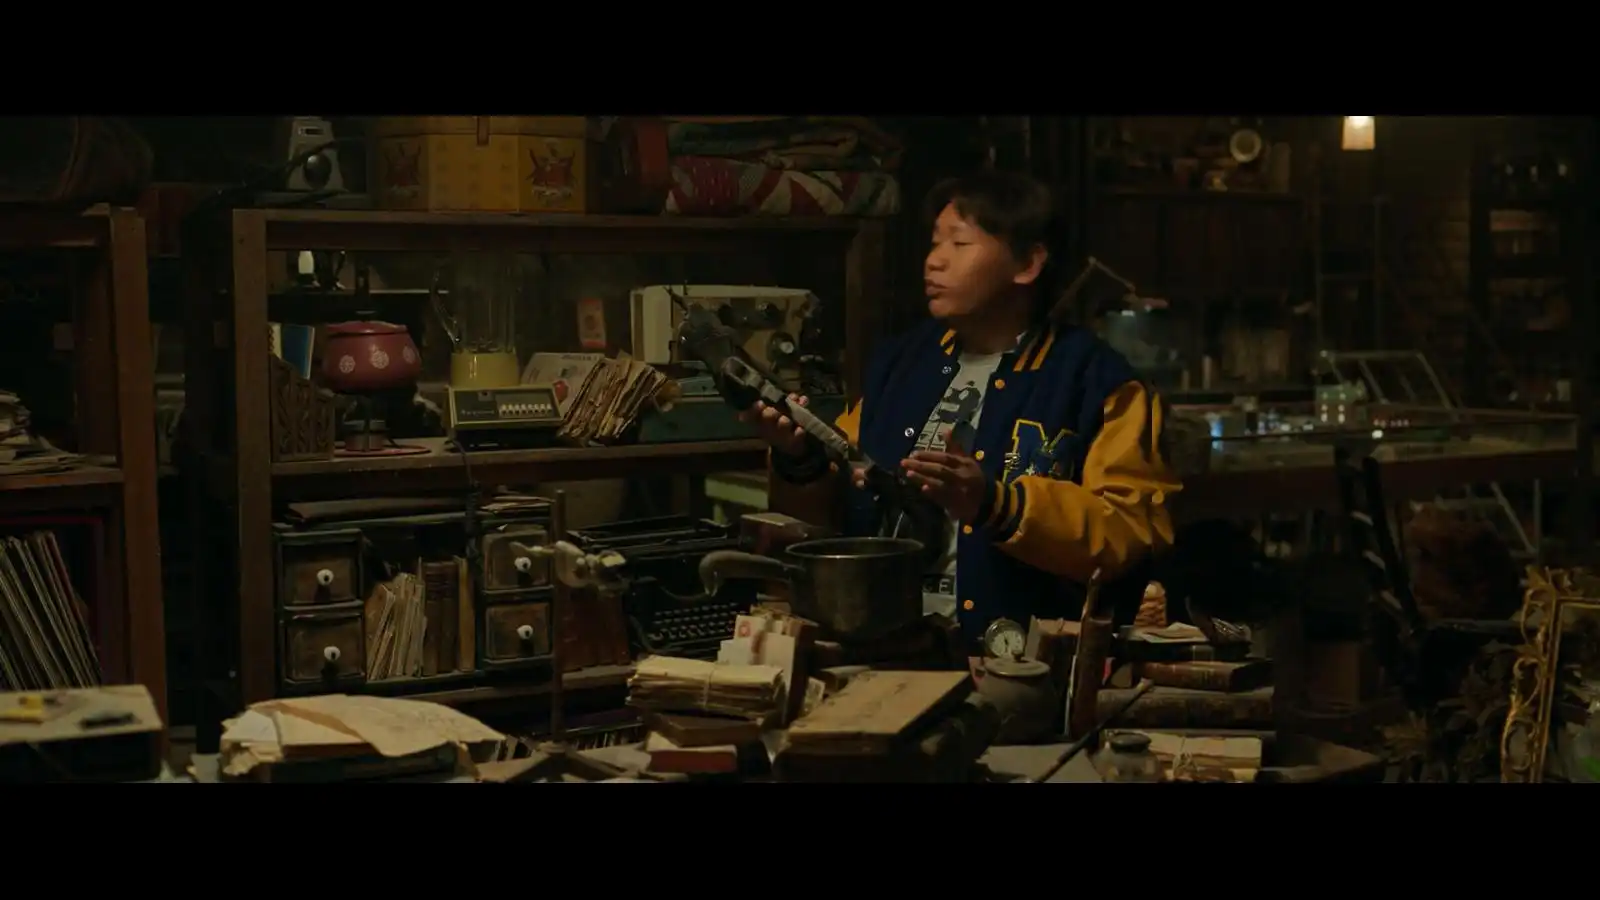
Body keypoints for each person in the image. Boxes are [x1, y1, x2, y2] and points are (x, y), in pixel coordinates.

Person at [742, 171, 1180, 654]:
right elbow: (830, 516)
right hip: (880, 648)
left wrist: (996, 504)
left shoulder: (1096, 382)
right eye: (934, 243)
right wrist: (799, 460)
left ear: (1028, 264)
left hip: (1023, 665)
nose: (934, 260)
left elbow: (1130, 531)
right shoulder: (902, 365)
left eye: (960, 243)